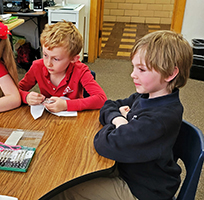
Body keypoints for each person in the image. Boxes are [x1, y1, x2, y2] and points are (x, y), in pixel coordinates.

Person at [51, 30, 193, 200]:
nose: (133, 74)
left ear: (170, 73)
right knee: (72, 170)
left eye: (141, 69)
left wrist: (121, 125)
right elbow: (108, 105)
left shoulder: (158, 120)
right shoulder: (146, 97)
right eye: (133, 67)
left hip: (142, 190)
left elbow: (104, 143)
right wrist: (119, 120)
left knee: (61, 191)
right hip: (130, 168)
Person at [18, 21, 107, 113]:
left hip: (75, 119)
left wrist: (65, 105)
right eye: (45, 55)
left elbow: (101, 99)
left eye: (56, 59)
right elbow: (14, 91)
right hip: (47, 118)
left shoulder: (80, 70)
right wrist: (26, 97)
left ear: (73, 59)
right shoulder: (37, 66)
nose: (48, 63)